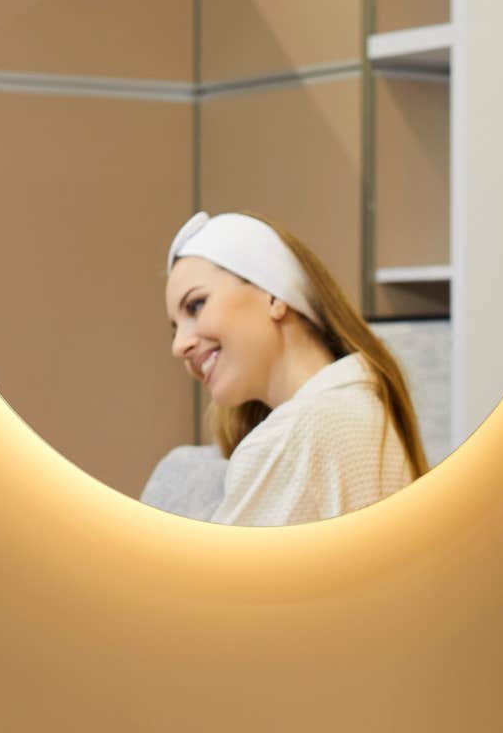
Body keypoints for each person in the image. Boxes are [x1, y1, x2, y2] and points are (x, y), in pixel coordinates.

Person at [160, 210, 428, 525]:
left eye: (196, 305)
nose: (179, 346)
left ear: (274, 295)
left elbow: (212, 576)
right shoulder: (366, 407)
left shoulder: (295, 438)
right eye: (175, 328)